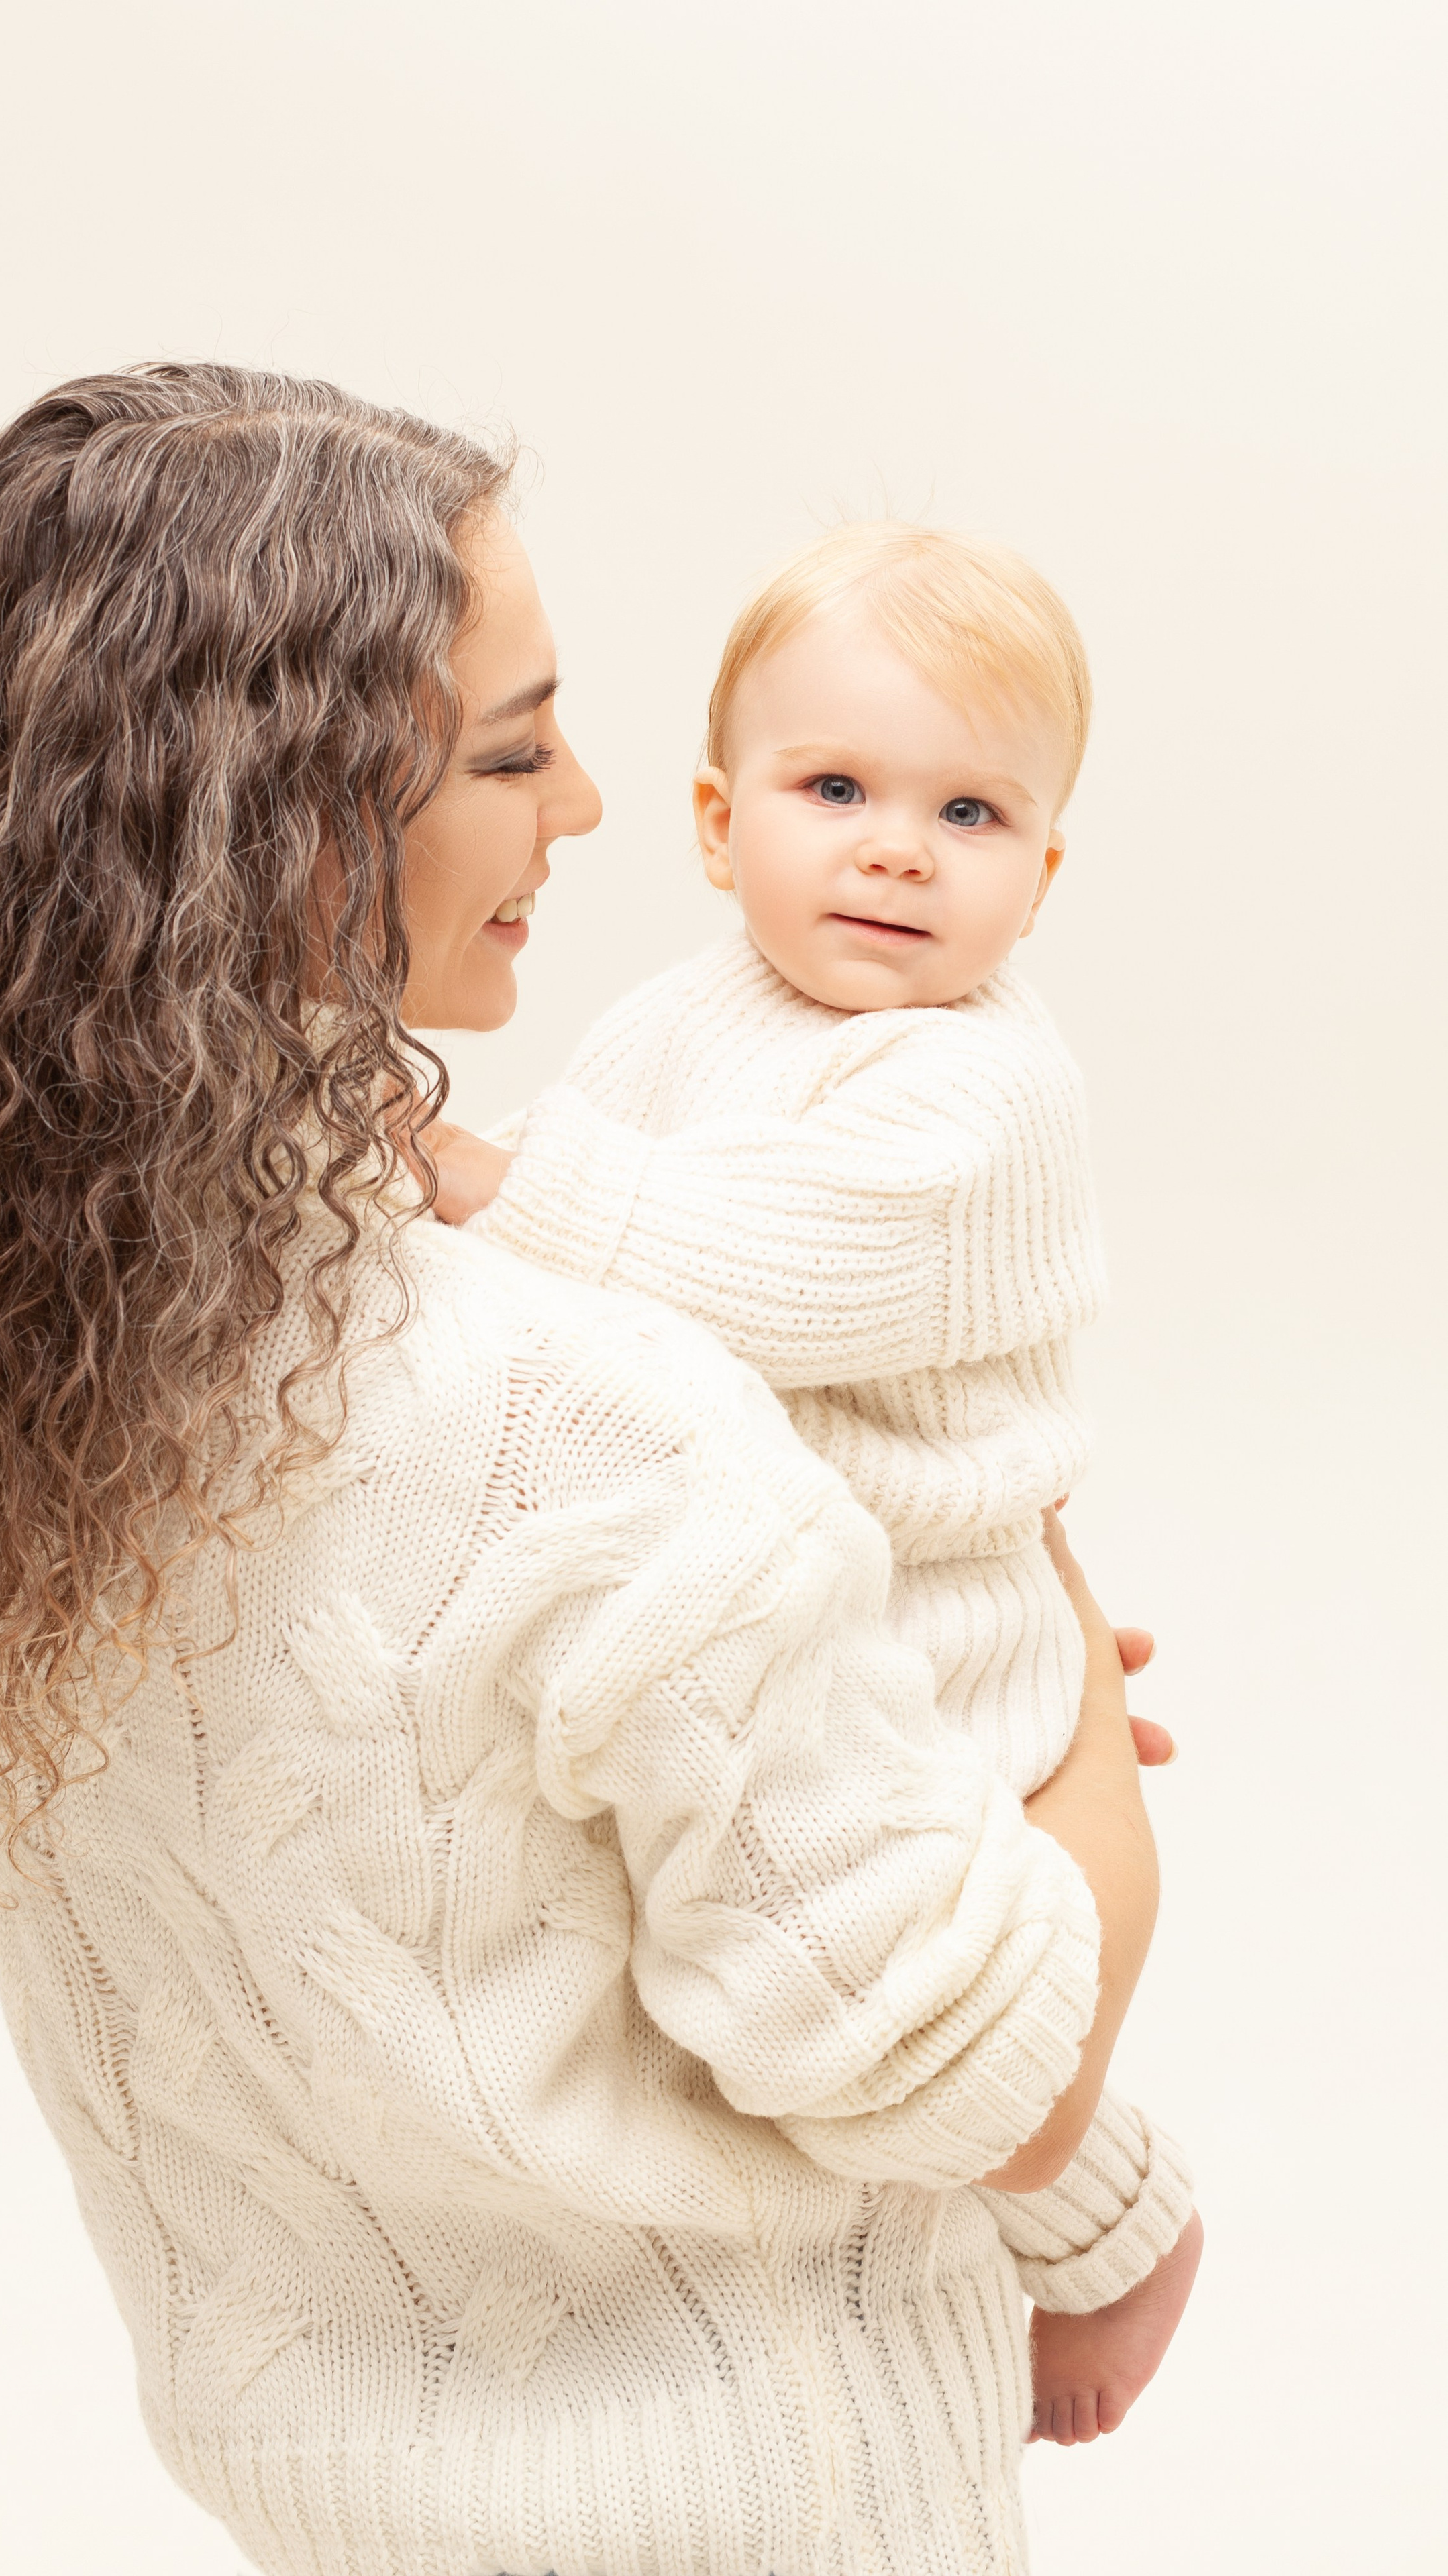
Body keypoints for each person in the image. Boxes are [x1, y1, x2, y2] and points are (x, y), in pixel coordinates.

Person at [0, 366, 1172, 2575]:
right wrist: (1075, 1735)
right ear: (296, 824)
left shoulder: (13, 1372)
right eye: (515, 747)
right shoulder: (585, 1420)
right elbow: (994, 2066)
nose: (592, 804)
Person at [429, 522, 1204, 2443]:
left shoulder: (981, 1092)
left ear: (1040, 875)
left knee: (867, 2005)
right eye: (836, 788)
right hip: (774, 1582)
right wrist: (479, 1194)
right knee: (738, 2000)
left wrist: (472, 1181)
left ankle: (1120, 2216)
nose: (895, 847)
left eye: (970, 811)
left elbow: (758, 1266)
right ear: (716, 822)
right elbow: (575, 1224)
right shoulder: (686, 1015)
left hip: (930, 1623)